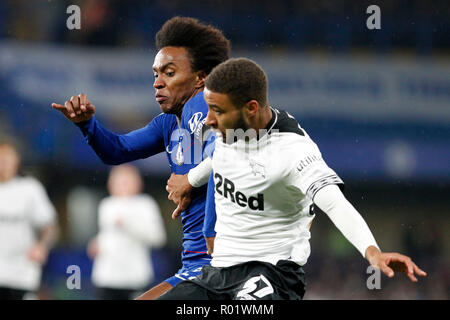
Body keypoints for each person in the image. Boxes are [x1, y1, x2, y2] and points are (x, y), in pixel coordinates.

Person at [160, 58, 427, 300]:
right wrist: (191, 180)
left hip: (272, 275)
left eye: (216, 111)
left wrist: (372, 251)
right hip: (218, 273)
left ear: (251, 108)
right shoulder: (232, 127)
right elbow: (218, 157)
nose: (208, 120)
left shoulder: (293, 151)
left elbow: (335, 204)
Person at [51, 16, 230, 299]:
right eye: (156, 74)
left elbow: (223, 153)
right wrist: (88, 125)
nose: (158, 83)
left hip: (218, 266)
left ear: (200, 78)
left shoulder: (202, 106)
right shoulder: (168, 123)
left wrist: (190, 180)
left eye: (169, 73)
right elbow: (117, 150)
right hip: (195, 266)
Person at [87, 164, 166, 300]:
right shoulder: (107, 205)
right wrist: (96, 243)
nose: (122, 186)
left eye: (126, 182)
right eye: (117, 182)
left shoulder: (145, 205)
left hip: (134, 277)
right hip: (106, 277)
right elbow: (106, 234)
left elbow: (158, 238)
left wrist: (128, 225)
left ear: (137, 183)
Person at [0, 139, 59, 300]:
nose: (3, 162)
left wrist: (42, 246)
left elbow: (50, 226)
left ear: (16, 161)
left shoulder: (29, 189)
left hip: (21, 274)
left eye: (7, 157)